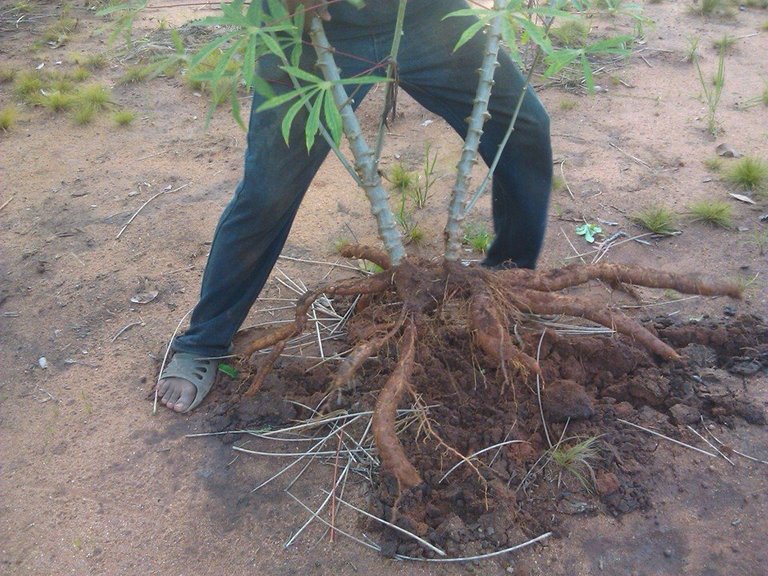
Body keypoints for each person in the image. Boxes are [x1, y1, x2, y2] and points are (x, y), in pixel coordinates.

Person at [157, 0, 552, 413]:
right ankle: (204, 341)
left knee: (524, 127)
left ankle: (506, 285)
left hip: (425, 15)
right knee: (267, 192)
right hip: (307, 23)